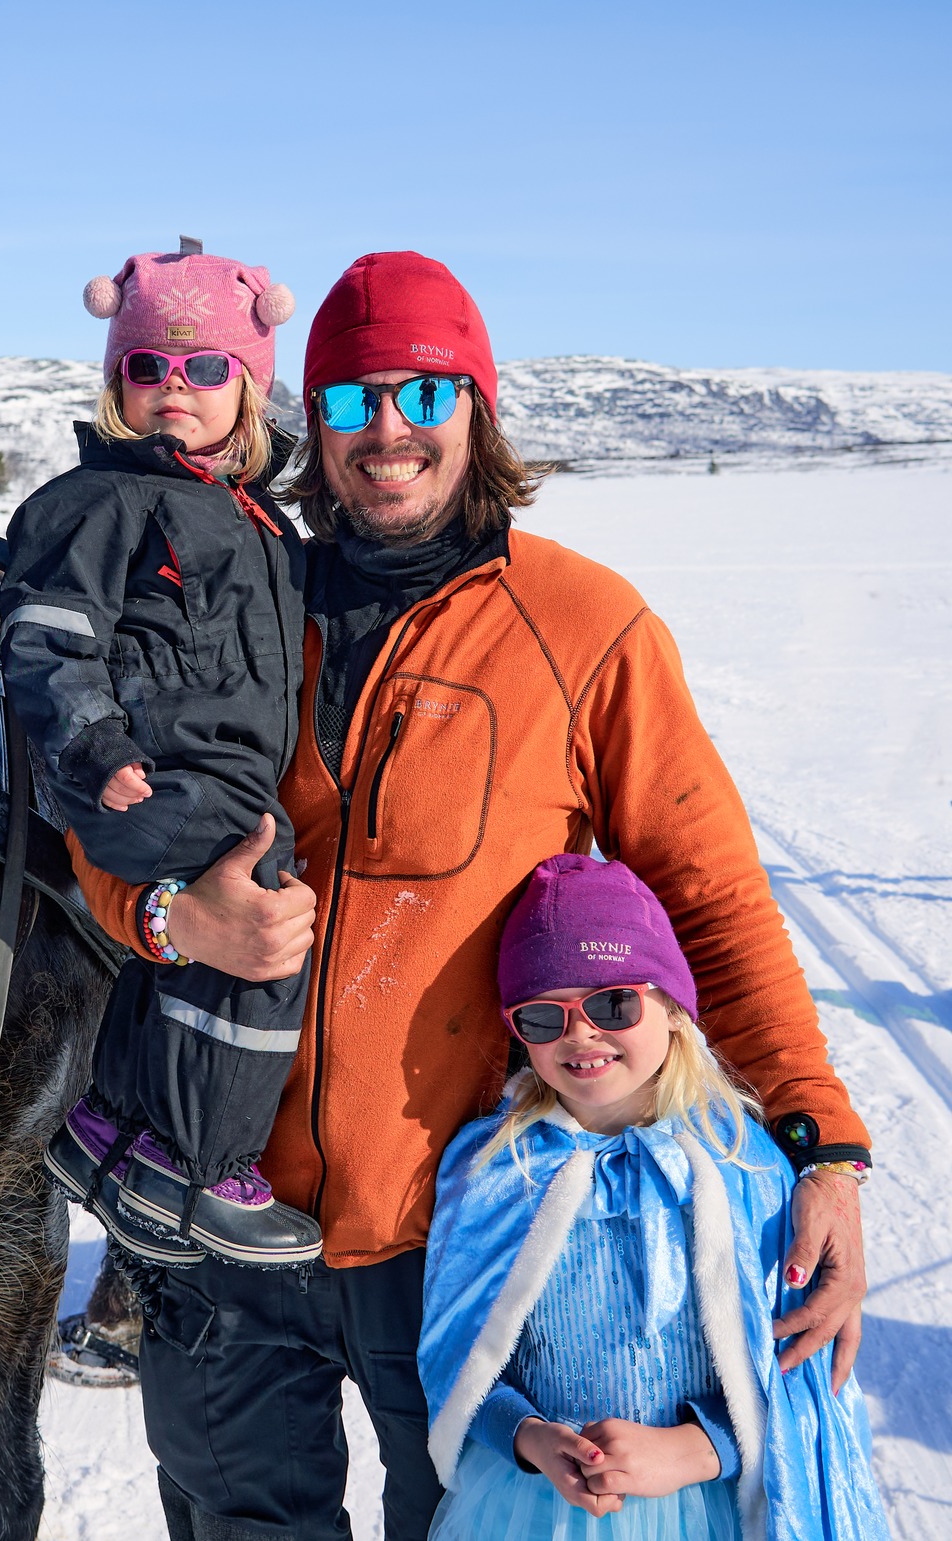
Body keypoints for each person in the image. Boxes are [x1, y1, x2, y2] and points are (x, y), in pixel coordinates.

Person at [69, 250, 875, 1540]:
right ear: (308, 423)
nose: (386, 430)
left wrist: (818, 1146)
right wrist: (172, 918)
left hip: (463, 1240)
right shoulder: (230, 600)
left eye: (423, 394)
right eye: (348, 400)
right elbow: (95, 840)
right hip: (222, 1216)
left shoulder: (582, 624)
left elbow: (708, 895)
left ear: (475, 411)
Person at [0, 240, 318, 1268]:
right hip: (141, 772)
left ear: (249, 391)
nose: (171, 388)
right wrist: (92, 745)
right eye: (146, 367)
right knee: (263, 902)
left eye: (204, 368)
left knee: (225, 921)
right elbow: (46, 638)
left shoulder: (262, 521)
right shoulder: (98, 502)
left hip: (220, 775)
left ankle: (112, 1122)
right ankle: (199, 1161)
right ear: (114, 384)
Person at [421, 854, 887, 1540]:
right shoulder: (493, 1169)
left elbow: (798, 1370)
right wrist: (530, 1438)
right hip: (535, 1513)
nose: (580, 1033)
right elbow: (460, 1366)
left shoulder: (744, 1165)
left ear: (672, 1006)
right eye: (542, 1017)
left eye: (613, 1003)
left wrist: (699, 1448)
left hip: (715, 1506)